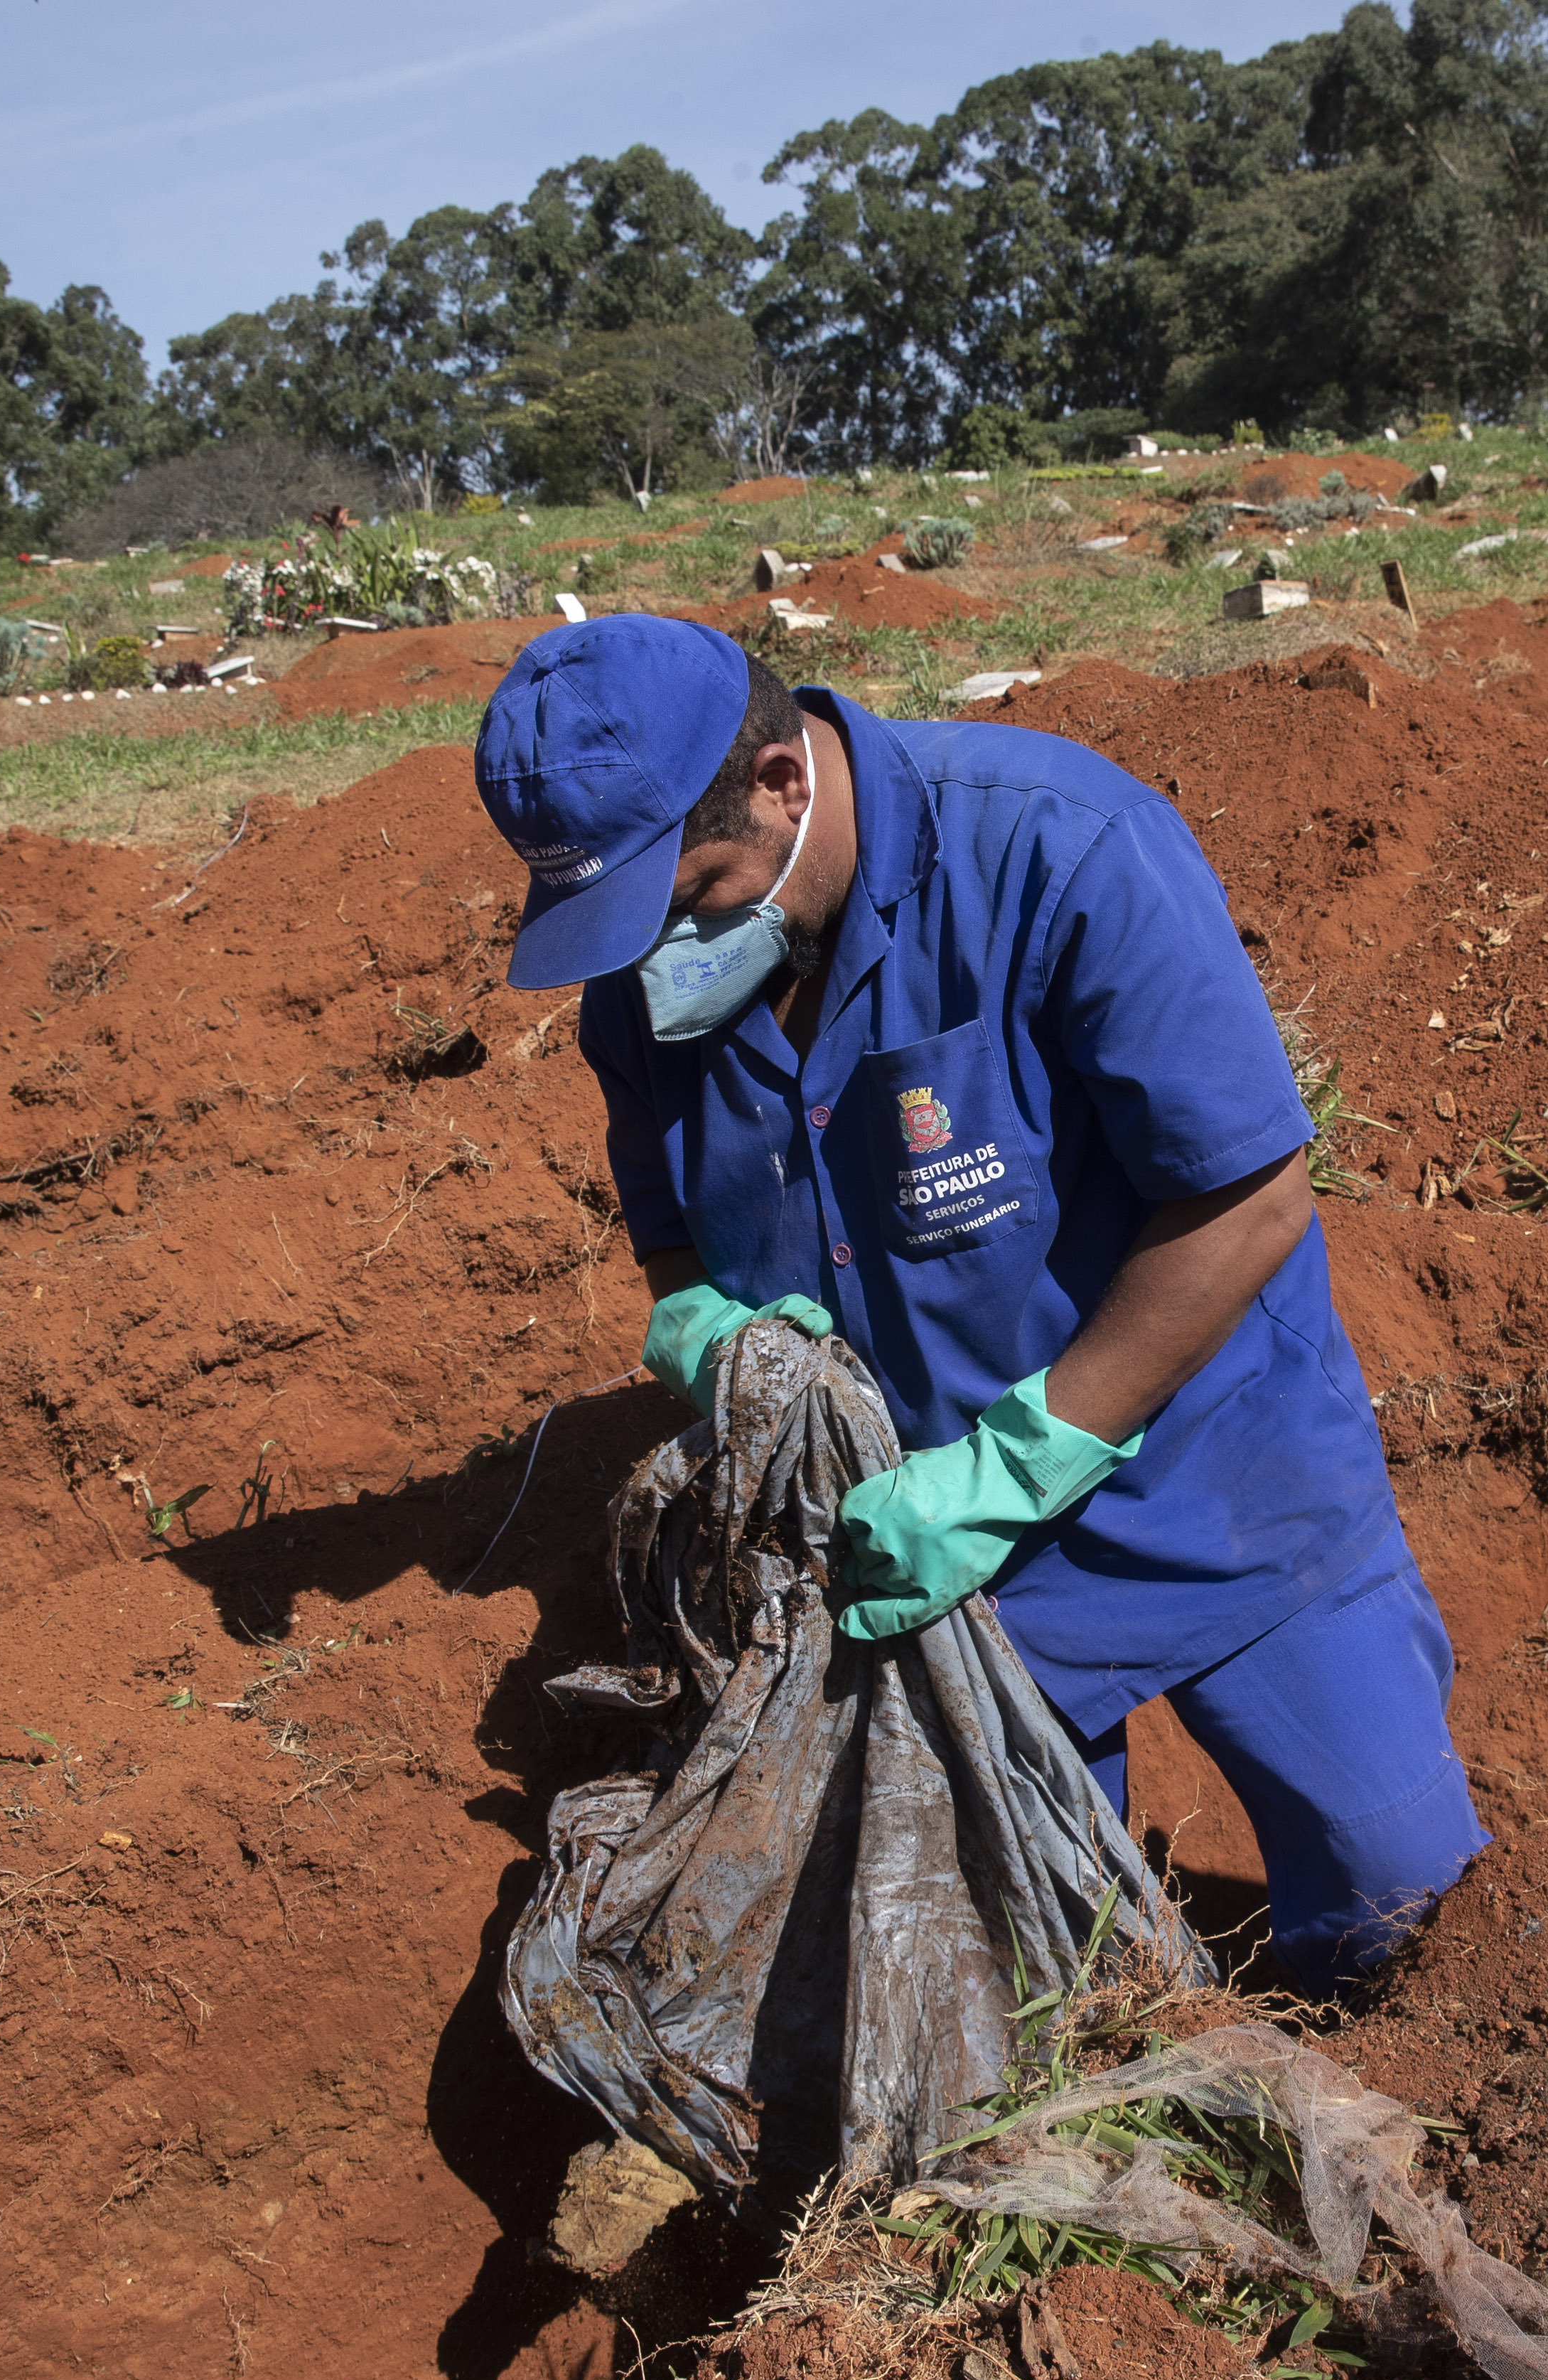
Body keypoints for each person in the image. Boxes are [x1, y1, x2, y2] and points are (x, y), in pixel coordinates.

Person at [475, 613, 1487, 1994]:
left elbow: (1247, 1199)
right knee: (1047, 1980)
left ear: (783, 781)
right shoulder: (648, 983)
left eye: (689, 887)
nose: (660, 941)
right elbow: (675, 1241)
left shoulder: (1060, 847)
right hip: (932, 1569)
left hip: (1215, 1486)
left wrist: (1018, 1465)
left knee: (1405, 1909)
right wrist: (700, 1326)